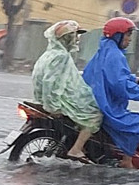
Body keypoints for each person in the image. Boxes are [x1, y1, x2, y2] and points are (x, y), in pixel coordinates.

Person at [81, 17, 139, 169]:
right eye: (127, 35)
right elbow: (119, 85)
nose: (129, 40)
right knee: (137, 123)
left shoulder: (106, 49)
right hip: (106, 103)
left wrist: (136, 79)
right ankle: (126, 160)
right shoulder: (115, 55)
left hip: (99, 98)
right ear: (117, 35)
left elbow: (118, 76)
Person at [31, 20, 102, 163]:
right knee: (96, 114)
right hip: (58, 101)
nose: (77, 39)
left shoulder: (50, 53)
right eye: (75, 36)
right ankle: (76, 149)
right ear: (67, 38)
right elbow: (50, 82)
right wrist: (54, 107)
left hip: (43, 99)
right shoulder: (61, 56)